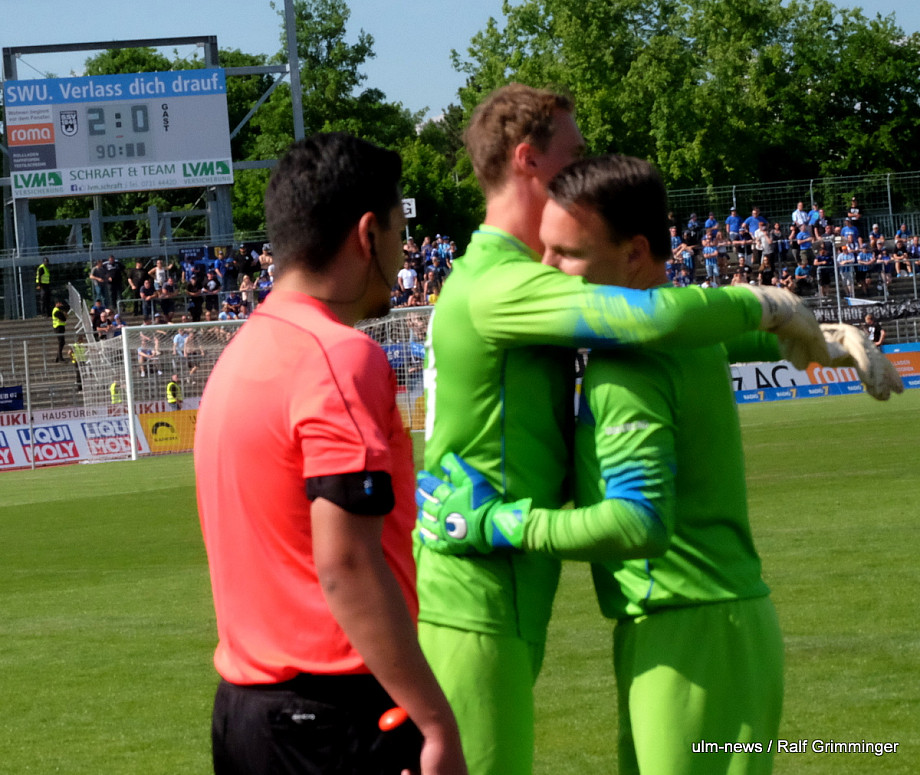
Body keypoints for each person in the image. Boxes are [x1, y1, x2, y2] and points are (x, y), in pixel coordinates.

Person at [417, 154, 902, 775]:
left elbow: (636, 522)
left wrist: (496, 523)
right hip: (698, 625)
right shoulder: (672, 337)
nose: (546, 269)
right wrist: (814, 335)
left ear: (634, 254)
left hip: (691, 632)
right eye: (545, 249)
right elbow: (696, 323)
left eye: (567, 254)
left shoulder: (630, 366)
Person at [194, 133, 466, 775]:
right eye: (400, 233)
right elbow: (346, 564)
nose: (403, 252)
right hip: (332, 717)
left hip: (245, 713)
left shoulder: (239, 356)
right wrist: (434, 720)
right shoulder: (339, 357)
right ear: (368, 234)